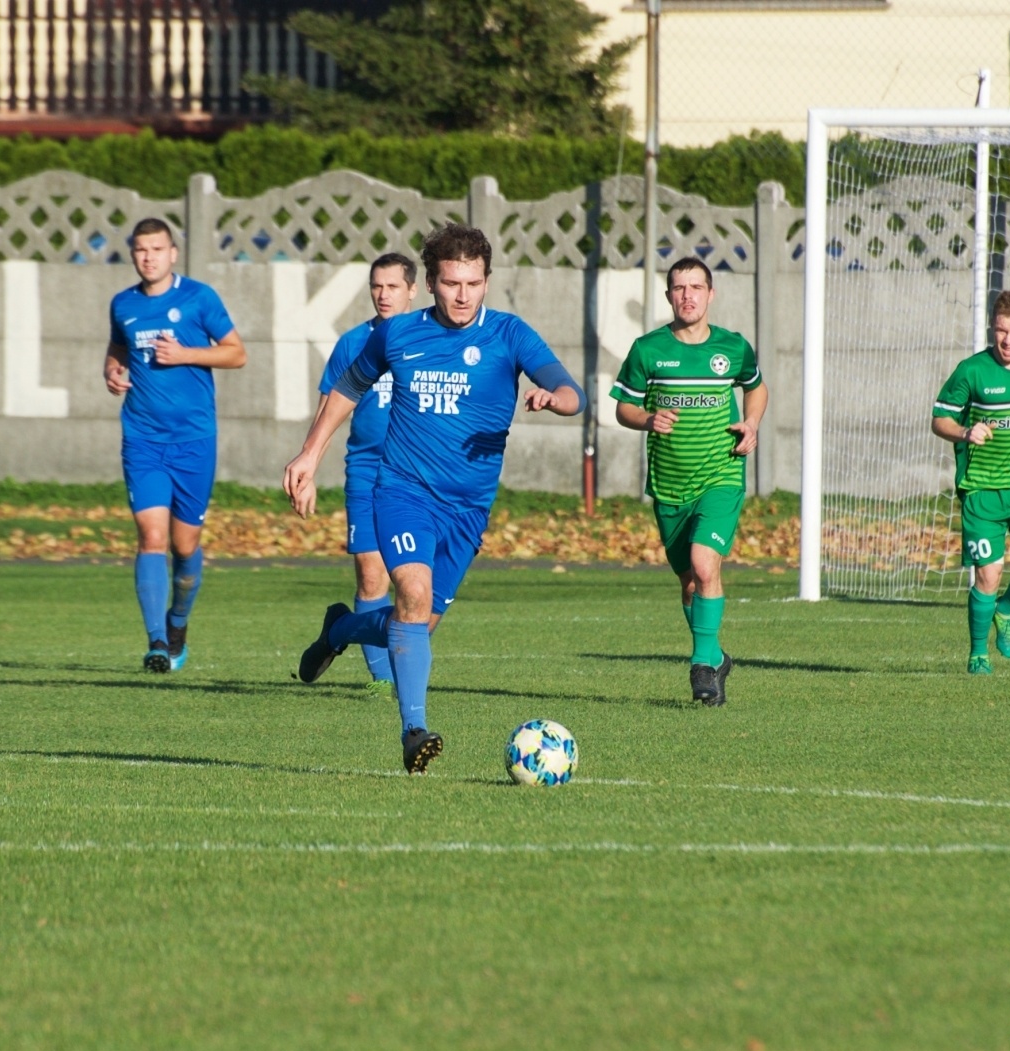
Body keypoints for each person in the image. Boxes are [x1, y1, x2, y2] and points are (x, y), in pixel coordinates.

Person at [283, 224, 585, 773]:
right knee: (412, 595)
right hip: (401, 490)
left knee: (414, 624)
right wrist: (309, 455)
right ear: (431, 283)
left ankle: (342, 628)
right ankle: (413, 730)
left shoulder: (510, 335)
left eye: (473, 282)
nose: (463, 295)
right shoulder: (396, 335)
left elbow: (571, 391)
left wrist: (553, 398)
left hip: (467, 510)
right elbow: (348, 387)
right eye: (451, 283)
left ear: (487, 280)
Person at [611, 257, 767, 706]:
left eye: (696, 287)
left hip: (721, 473)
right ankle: (716, 656)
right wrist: (647, 418)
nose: (688, 296)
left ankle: (700, 664)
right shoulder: (647, 349)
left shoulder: (733, 347)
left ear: (711, 293)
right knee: (689, 582)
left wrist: (751, 423)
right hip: (669, 484)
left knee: (705, 563)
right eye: (679, 288)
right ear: (668, 296)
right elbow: (624, 408)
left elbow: (755, 387)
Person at [105, 219, 246, 672]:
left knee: (185, 548)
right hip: (143, 439)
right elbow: (117, 346)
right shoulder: (123, 304)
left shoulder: (198, 299)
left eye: (157, 249)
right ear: (133, 254)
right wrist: (112, 368)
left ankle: (178, 621)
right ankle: (157, 642)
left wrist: (186, 354)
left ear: (173, 253)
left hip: (194, 442)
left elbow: (236, 352)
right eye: (141, 249)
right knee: (151, 537)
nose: (148, 257)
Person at [930, 290, 1010, 675]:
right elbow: (939, 419)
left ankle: (1006, 611)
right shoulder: (972, 371)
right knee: (988, 575)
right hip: (983, 490)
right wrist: (965, 432)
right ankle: (977, 654)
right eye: (1001, 330)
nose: (1008, 340)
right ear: (993, 327)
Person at [315, 252, 418, 696]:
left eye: (393, 286)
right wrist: (308, 464)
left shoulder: (431, 341)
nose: (383, 294)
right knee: (370, 576)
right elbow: (327, 412)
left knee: (413, 583)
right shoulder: (352, 343)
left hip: (416, 476)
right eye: (377, 286)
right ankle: (383, 680)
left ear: (413, 290)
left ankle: (343, 628)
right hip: (366, 471)